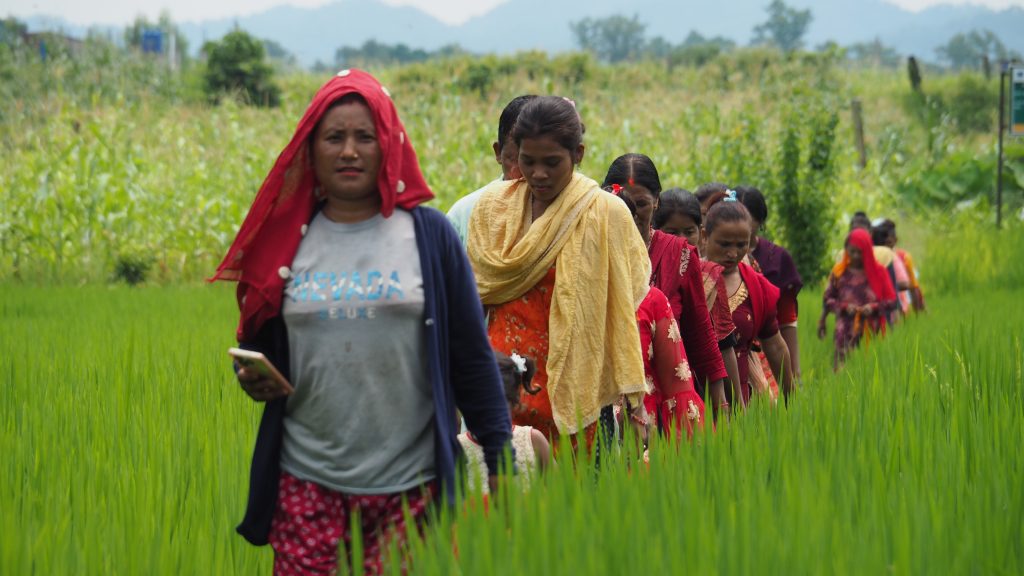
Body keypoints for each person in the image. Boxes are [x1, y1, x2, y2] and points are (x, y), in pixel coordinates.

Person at [211, 69, 511, 575]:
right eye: (334, 138)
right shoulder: (289, 242)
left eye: (363, 137)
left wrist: (498, 451)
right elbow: (265, 348)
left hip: (411, 490)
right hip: (306, 482)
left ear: (387, 145)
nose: (349, 151)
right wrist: (253, 378)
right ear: (311, 150)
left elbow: (469, 355)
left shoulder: (428, 235)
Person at [467, 96, 651, 452]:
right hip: (500, 382)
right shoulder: (492, 207)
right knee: (500, 490)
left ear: (578, 154)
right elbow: (476, 291)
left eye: (552, 162)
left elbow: (624, 298)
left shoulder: (606, 213)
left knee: (571, 493)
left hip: (572, 382)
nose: (538, 174)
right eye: (528, 160)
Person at [602, 155, 731, 418]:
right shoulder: (588, 252)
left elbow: (701, 338)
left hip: (664, 405)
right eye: (622, 205)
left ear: (656, 202)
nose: (632, 215)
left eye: (641, 205)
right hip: (603, 400)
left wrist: (723, 411)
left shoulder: (679, 255)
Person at [608, 185, 705, 439]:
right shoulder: (564, 296)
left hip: (640, 439)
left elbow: (678, 387)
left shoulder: (652, 301)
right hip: (577, 433)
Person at [700, 193, 794, 406]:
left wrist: (792, 402)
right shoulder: (688, 277)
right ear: (705, 236)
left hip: (740, 402)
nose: (733, 253)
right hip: (695, 403)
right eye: (724, 244)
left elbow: (776, 347)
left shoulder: (756, 287)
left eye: (741, 245)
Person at [653, 187, 742, 410]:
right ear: (657, 231)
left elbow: (721, 344)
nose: (682, 240)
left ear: (701, 234)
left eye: (689, 231)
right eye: (673, 232)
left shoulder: (710, 275)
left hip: (693, 388)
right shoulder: (646, 272)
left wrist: (735, 403)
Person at [446, 95, 537, 246]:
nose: (534, 175)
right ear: (498, 152)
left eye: (548, 162)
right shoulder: (464, 215)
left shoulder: (579, 210)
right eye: (519, 160)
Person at [735, 186, 804, 380]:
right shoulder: (712, 258)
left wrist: (794, 370)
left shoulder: (778, 259)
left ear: (760, 221)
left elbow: (787, 318)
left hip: (767, 351)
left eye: (747, 220)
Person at [458, 352, 551, 494]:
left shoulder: (533, 440)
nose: (487, 415)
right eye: (479, 405)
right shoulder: (458, 448)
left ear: (514, 403)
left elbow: (565, 497)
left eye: (496, 407)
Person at [818, 228, 898, 369]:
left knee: (870, 371)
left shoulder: (879, 272)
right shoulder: (839, 272)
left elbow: (892, 301)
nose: (855, 256)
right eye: (852, 251)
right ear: (846, 249)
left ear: (867, 251)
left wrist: (872, 307)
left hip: (872, 331)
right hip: (844, 331)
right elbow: (827, 299)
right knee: (842, 371)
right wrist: (844, 307)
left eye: (859, 252)